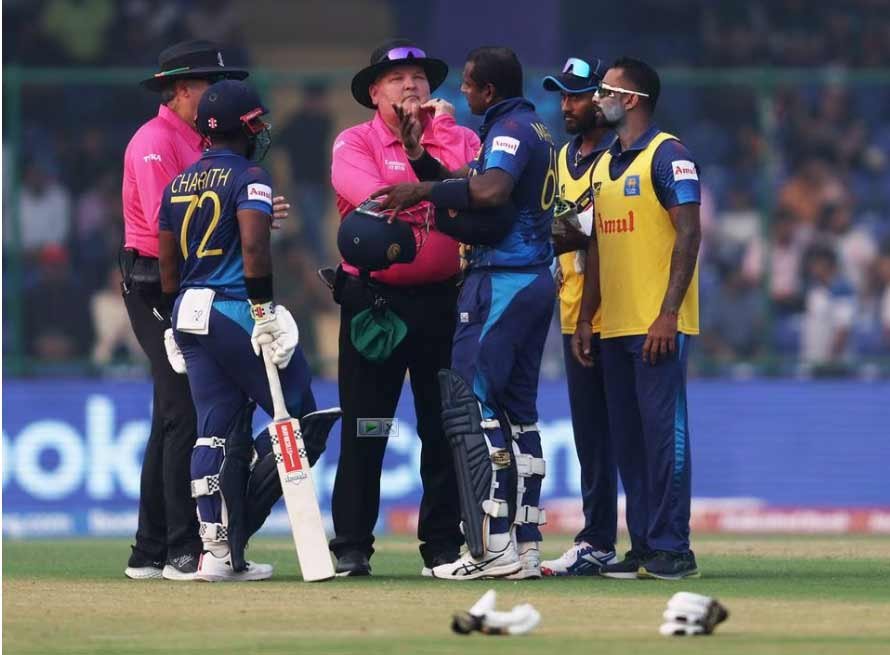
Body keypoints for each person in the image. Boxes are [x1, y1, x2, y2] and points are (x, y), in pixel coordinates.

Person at [375, 46, 556, 580]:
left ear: (489, 91)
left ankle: (490, 549)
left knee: (471, 410)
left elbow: (490, 192)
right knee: (518, 415)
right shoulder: (535, 129)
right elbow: (476, 203)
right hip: (531, 280)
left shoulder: (507, 133)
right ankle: (523, 547)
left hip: (500, 282)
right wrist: (421, 164)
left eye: (471, 85)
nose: (464, 94)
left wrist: (421, 189)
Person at [157, 79, 341, 581]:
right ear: (243, 127)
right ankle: (238, 527)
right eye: (256, 122)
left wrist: (174, 319)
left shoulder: (176, 184)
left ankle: (215, 554)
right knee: (304, 415)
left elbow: (168, 272)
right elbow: (256, 251)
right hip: (236, 309)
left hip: (189, 313)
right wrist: (262, 310)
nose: (261, 129)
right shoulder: (251, 176)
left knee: (212, 428)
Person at [120, 40, 289, 581]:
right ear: (181, 90)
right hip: (154, 282)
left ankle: (149, 550)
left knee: (170, 415)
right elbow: (164, 217)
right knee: (182, 412)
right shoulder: (154, 140)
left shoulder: (200, 141)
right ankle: (182, 549)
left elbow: (207, 216)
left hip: (189, 282)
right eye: (208, 86)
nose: (216, 97)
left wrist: (253, 214)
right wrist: (240, 218)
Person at [328, 39, 480, 576]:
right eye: (396, 78)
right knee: (367, 427)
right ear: (374, 93)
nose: (410, 84)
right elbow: (376, 200)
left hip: (444, 300)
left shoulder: (460, 137)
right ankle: (351, 546)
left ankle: (440, 548)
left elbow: (477, 195)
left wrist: (430, 164)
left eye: (418, 77)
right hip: (375, 303)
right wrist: (436, 193)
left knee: (442, 428)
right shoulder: (353, 141)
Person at [572, 57, 702, 580]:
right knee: (627, 442)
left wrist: (668, 314)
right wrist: (587, 317)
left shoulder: (669, 155)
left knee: (662, 437)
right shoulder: (604, 164)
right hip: (613, 326)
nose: (596, 97)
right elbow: (597, 246)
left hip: (657, 326)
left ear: (631, 99)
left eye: (605, 89)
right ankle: (646, 544)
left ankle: (675, 548)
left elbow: (689, 234)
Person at [538, 56, 619, 576]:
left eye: (578, 94)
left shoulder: (622, 154)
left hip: (624, 312)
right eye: (563, 95)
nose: (568, 105)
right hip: (574, 314)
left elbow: (586, 230)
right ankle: (597, 541)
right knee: (591, 435)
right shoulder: (560, 158)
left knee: (629, 435)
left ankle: (658, 541)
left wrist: (562, 229)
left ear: (604, 99)